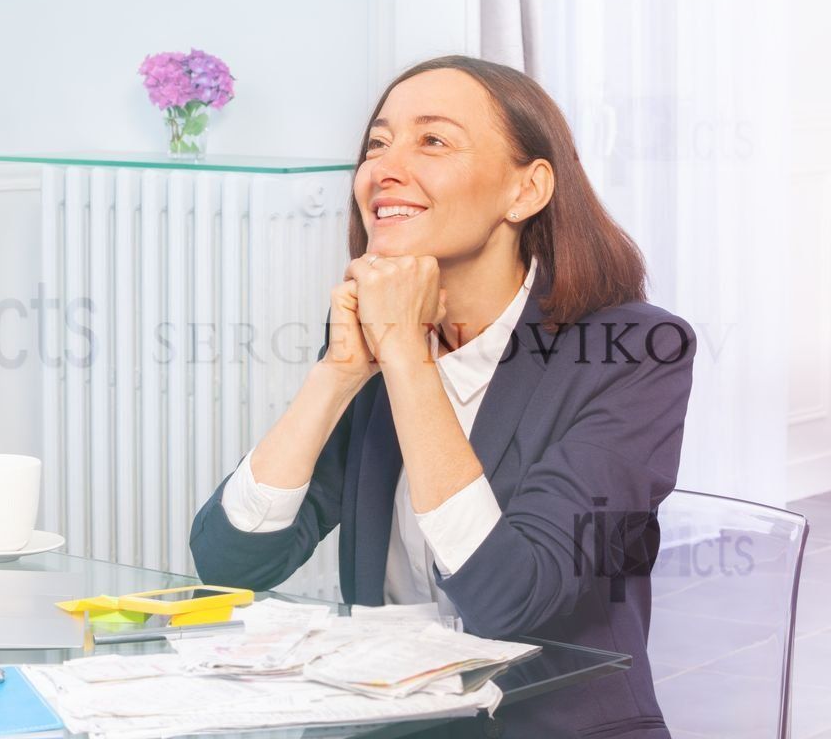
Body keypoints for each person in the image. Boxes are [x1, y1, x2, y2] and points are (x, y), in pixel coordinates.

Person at [190, 55, 697, 739]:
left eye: (433, 140)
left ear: (527, 190)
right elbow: (232, 563)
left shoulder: (634, 350)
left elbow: (509, 598)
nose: (384, 168)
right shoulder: (379, 331)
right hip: (392, 723)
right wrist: (337, 375)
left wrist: (406, 358)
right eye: (377, 142)